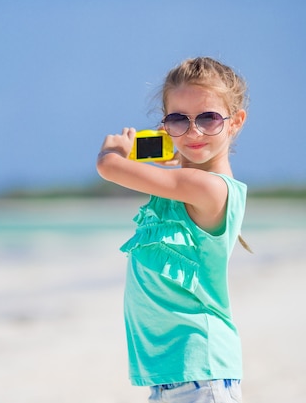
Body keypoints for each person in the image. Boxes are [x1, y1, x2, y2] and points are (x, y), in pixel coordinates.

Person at [96, 57, 249, 403]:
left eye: (208, 118)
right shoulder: (181, 184)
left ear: (235, 122)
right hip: (173, 376)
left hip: (203, 372)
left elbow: (109, 168)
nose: (193, 132)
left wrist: (113, 152)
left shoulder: (211, 189)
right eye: (179, 120)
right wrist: (172, 158)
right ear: (165, 126)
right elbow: (177, 177)